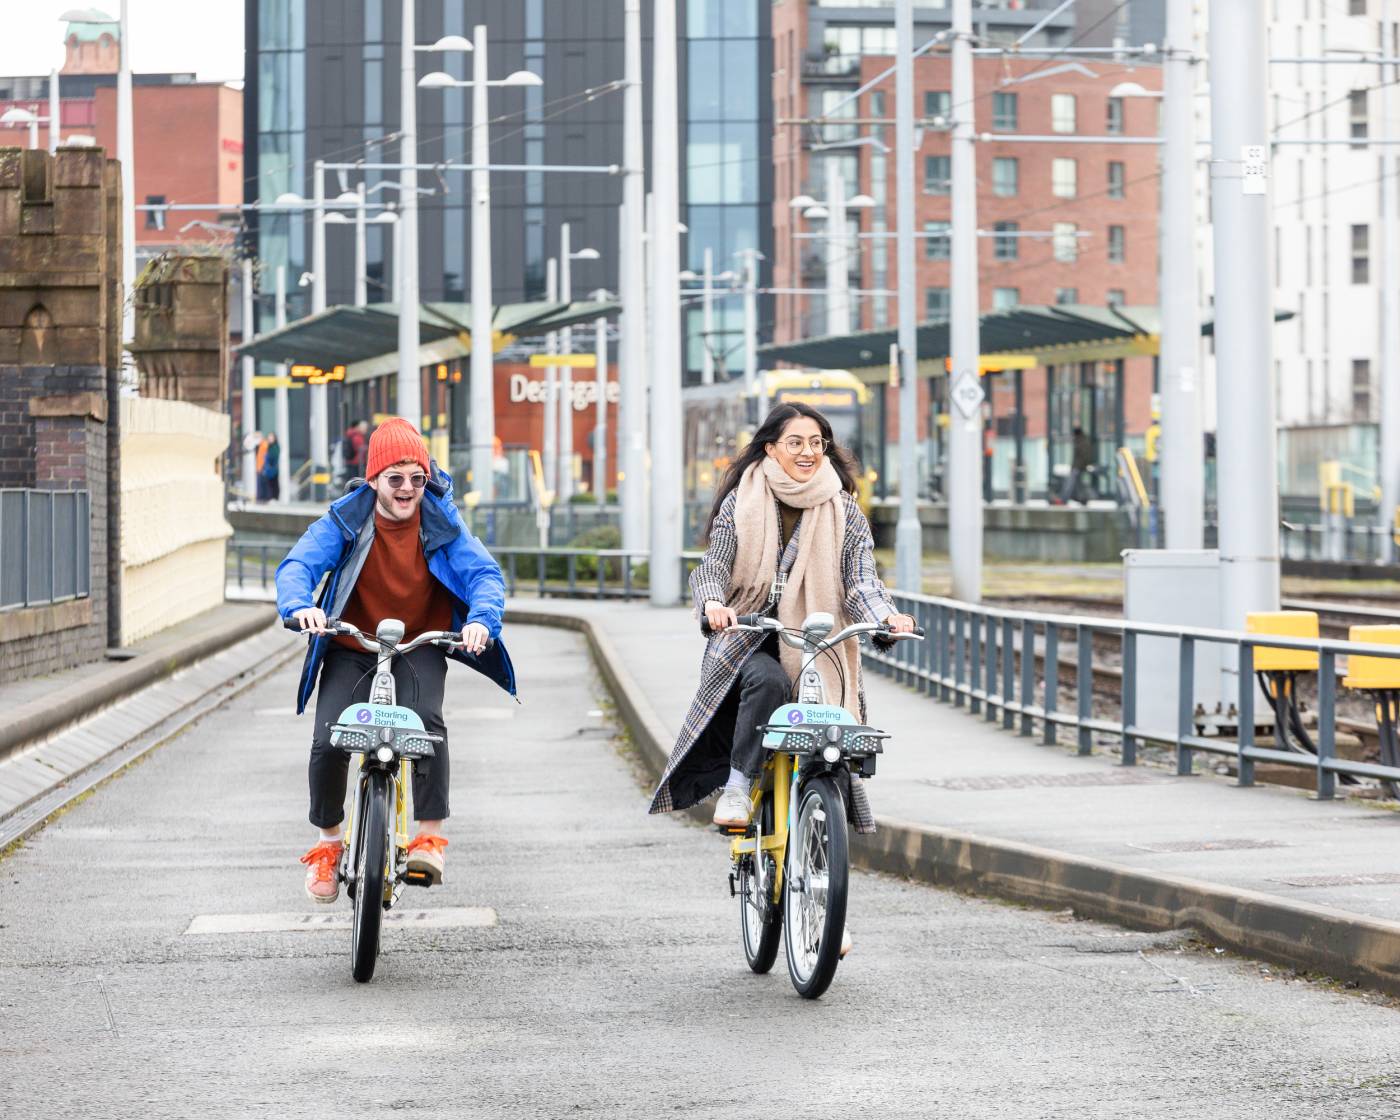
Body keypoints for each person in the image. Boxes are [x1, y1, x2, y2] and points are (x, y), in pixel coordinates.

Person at [275, 417, 516, 903]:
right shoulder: (346, 519)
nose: (408, 490)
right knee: (329, 741)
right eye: (396, 479)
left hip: (418, 645)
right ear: (374, 481)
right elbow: (300, 563)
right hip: (352, 646)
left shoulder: (442, 522)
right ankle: (328, 844)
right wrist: (300, 606)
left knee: (427, 725)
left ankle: (429, 837)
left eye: (417, 479)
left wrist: (481, 621)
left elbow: (483, 575)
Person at [649, 403, 915, 835]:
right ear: (771, 448)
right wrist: (715, 604)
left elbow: (861, 579)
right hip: (748, 637)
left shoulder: (844, 510)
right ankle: (738, 786)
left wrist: (887, 617)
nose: (808, 451)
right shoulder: (743, 501)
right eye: (796, 442)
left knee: (829, 728)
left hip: (818, 641)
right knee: (769, 681)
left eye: (817, 442)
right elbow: (714, 566)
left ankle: (817, 804)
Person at [1062, 425, 1095, 504]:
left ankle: (1064, 499)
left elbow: (1085, 456)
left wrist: (1083, 465)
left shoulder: (1082, 442)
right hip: (1077, 467)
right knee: (1078, 484)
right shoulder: (1080, 441)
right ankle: (1082, 498)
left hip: (1078, 467)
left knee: (1070, 483)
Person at [340, 419, 369, 485]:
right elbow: (360, 448)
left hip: (351, 462)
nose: (365, 430)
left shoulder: (350, 434)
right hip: (357, 463)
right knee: (356, 482)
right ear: (358, 427)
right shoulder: (357, 436)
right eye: (364, 428)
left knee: (351, 481)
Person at [259, 432, 281, 502]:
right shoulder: (268, 446)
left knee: (274, 484)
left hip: (273, 468)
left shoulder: (275, 446)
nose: (270, 439)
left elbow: (273, 457)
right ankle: (269, 498)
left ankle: (274, 498)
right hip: (268, 469)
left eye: (271, 437)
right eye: (269, 437)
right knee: (269, 484)